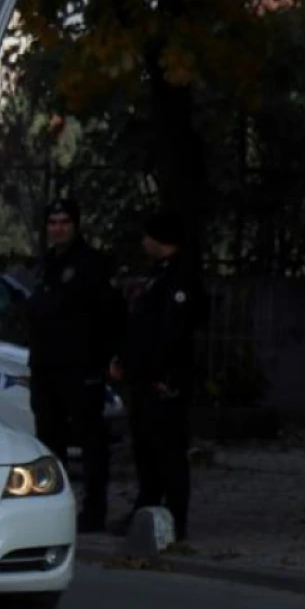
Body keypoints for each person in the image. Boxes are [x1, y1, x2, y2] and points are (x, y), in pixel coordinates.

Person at [25, 197, 124, 532]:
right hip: (46, 367)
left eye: (64, 222)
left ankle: (94, 511)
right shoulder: (45, 263)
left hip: (80, 367)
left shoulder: (91, 264)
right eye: (52, 223)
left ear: (76, 225)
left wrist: (105, 359)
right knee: (48, 441)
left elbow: (109, 315)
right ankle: (53, 508)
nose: (58, 228)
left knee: (90, 440)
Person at [111, 211, 205, 541]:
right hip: (145, 378)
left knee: (167, 451)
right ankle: (145, 512)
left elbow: (172, 332)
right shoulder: (159, 275)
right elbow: (143, 326)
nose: (143, 242)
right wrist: (127, 360)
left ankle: (175, 519)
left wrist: (159, 372)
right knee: (147, 449)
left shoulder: (180, 277)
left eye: (147, 236)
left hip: (163, 381)